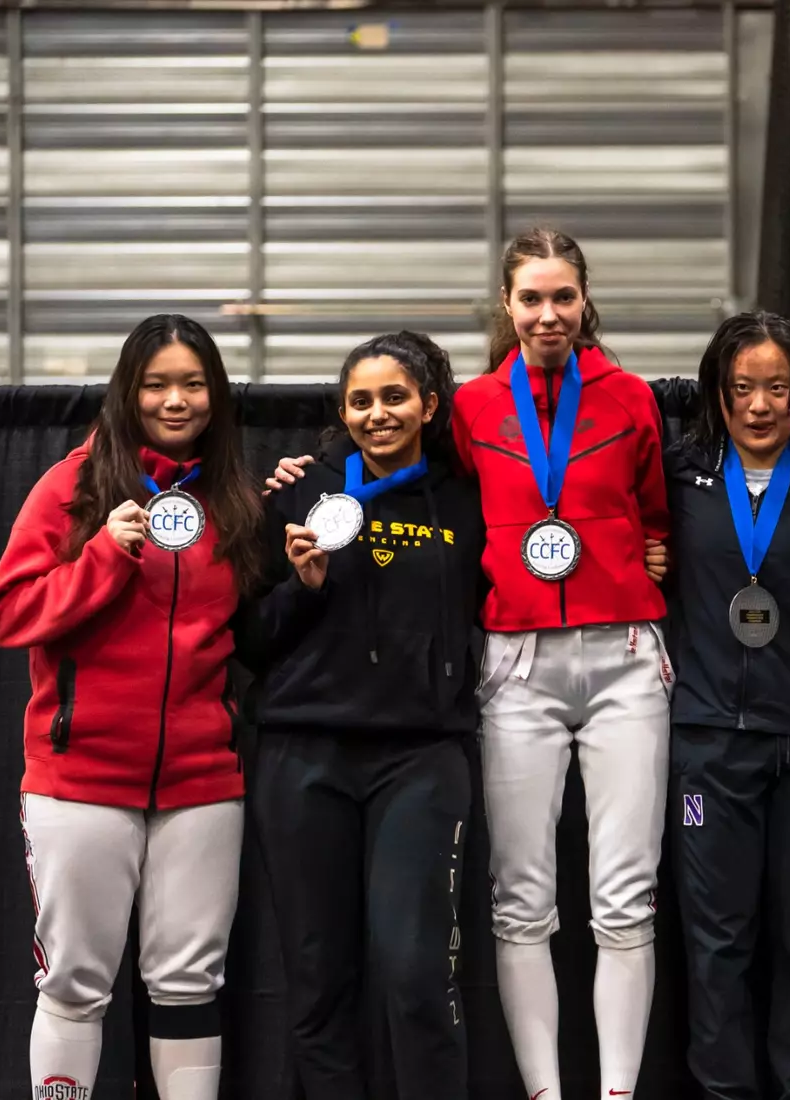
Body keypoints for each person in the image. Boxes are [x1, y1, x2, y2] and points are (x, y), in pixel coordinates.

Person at [265, 227, 671, 1100]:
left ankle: (618, 1091)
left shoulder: (630, 398)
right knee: (515, 904)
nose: (548, 314)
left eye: (563, 297)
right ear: (507, 306)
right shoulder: (469, 414)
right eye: (531, 298)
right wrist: (311, 475)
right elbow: (378, 467)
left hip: (613, 659)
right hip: (503, 670)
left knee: (620, 900)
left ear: (585, 301)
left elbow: (651, 510)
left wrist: (650, 553)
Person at [0, 314, 263, 1100]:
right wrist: (104, 551)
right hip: (80, 779)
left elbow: (250, 631)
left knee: (188, 983)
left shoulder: (232, 498)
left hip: (203, 785)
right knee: (74, 980)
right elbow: (10, 614)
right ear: (127, 391)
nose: (177, 401)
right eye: (156, 384)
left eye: (193, 383)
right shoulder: (71, 486)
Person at [238, 332, 483, 1098]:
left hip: (420, 758)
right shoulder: (295, 494)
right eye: (360, 401)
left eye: (395, 397)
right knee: (318, 979)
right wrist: (302, 587)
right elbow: (248, 639)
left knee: (415, 974)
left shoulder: (468, 500)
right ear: (343, 413)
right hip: (303, 755)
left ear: (428, 405)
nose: (378, 414)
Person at [664, 311, 790, 1100]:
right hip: (709, 743)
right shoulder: (681, 475)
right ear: (718, 391)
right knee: (717, 942)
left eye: (777, 388)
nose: (758, 405)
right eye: (741, 387)